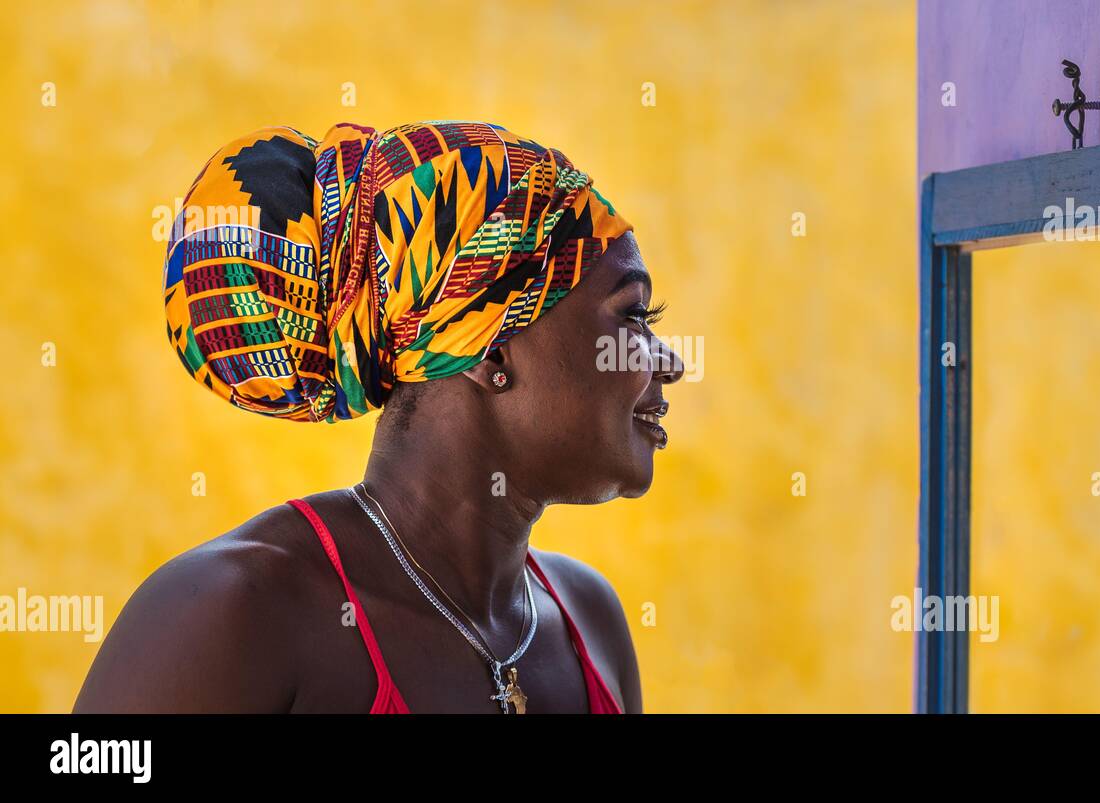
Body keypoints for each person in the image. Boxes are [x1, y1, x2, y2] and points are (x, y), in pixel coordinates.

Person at [74, 121, 683, 713]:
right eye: (633, 317)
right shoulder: (236, 612)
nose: (671, 361)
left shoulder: (590, 626)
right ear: (487, 348)